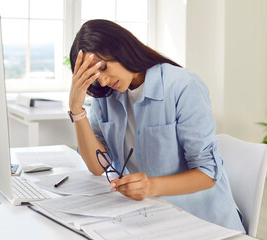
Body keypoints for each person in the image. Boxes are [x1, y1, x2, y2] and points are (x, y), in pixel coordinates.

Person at [68, 19, 245, 233]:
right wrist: (77, 109)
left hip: (204, 223)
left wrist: (151, 186)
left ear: (122, 48)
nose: (103, 81)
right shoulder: (105, 96)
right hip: (151, 218)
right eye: (94, 77)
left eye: (104, 67)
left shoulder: (182, 86)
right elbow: (98, 166)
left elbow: (207, 174)